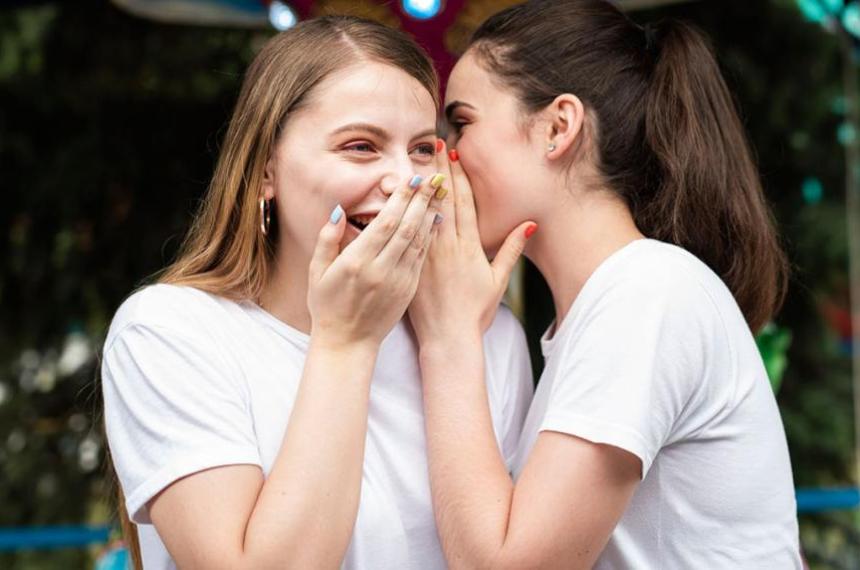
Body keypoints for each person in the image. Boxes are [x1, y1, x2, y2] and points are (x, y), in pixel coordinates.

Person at [100, 16, 533, 570]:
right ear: (264, 171)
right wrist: (347, 340)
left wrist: (452, 343)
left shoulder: (487, 337)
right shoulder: (170, 332)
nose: (406, 179)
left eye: (423, 149)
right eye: (360, 146)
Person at [408, 0, 802, 568]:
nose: (444, 156)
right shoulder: (615, 301)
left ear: (558, 127)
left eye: (461, 123)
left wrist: (447, 338)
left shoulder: (644, 291)